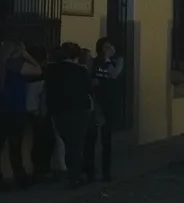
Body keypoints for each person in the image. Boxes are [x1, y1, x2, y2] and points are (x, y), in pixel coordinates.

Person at [0, 40, 41, 191]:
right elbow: (38, 70)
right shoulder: (17, 64)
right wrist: (27, 56)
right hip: (14, 109)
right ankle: (21, 178)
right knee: (15, 146)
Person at [45, 43, 95, 187]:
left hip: (58, 112)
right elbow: (89, 90)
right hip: (79, 112)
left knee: (67, 143)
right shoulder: (81, 70)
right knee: (76, 145)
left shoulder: (51, 69)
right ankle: (75, 176)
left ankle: (72, 174)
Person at [85, 38, 124, 182]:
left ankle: (106, 172)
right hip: (96, 103)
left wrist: (107, 59)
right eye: (105, 47)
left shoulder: (117, 61)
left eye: (110, 46)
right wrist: (91, 82)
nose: (107, 49)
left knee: (106, 140)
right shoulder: (93, 62)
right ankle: (90, 171)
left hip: (110, 103)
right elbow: (87, 76)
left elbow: (114, 74)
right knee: (91, 138)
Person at [25, 46, 56, 182]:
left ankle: (41, 170)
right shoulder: (40, 74)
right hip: (39, 112)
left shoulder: (31, 73)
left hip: (35, 111)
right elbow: (38, 95)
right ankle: (42, 171)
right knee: (44, 141)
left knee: (42, 141)